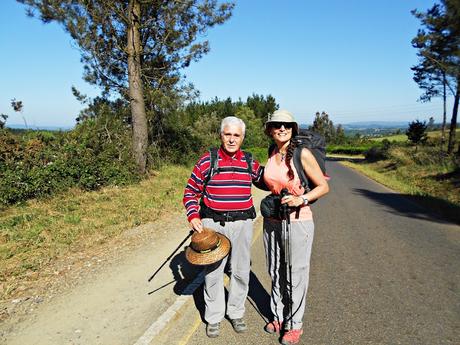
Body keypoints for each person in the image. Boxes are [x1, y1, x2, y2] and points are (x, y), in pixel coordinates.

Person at [183, 116, 265, 338]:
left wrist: (288, 174)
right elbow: (191, 191)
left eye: (236, 135)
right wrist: (193, 215)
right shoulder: (207, 161)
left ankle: (236, 312)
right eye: (227, 134)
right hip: (213, 225)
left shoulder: (249, 161)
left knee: (240, 271)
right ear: (221, 135)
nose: (231, 139)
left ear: (242, 137)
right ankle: (214, 317)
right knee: (213, 273)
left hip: (242, 224)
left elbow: (266, 180)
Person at [262, 109, 329, 345]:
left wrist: (302, 199)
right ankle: (278, 316)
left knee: (295, 274)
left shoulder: (303, 154)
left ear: (293, 130)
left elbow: (322, 186)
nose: (282, 129)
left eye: (287, 126)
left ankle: (294, 324)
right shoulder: (272, 153)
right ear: (270, 129)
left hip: (298, 221)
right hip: (272, 221)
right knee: (275, 270)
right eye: (278, 125)